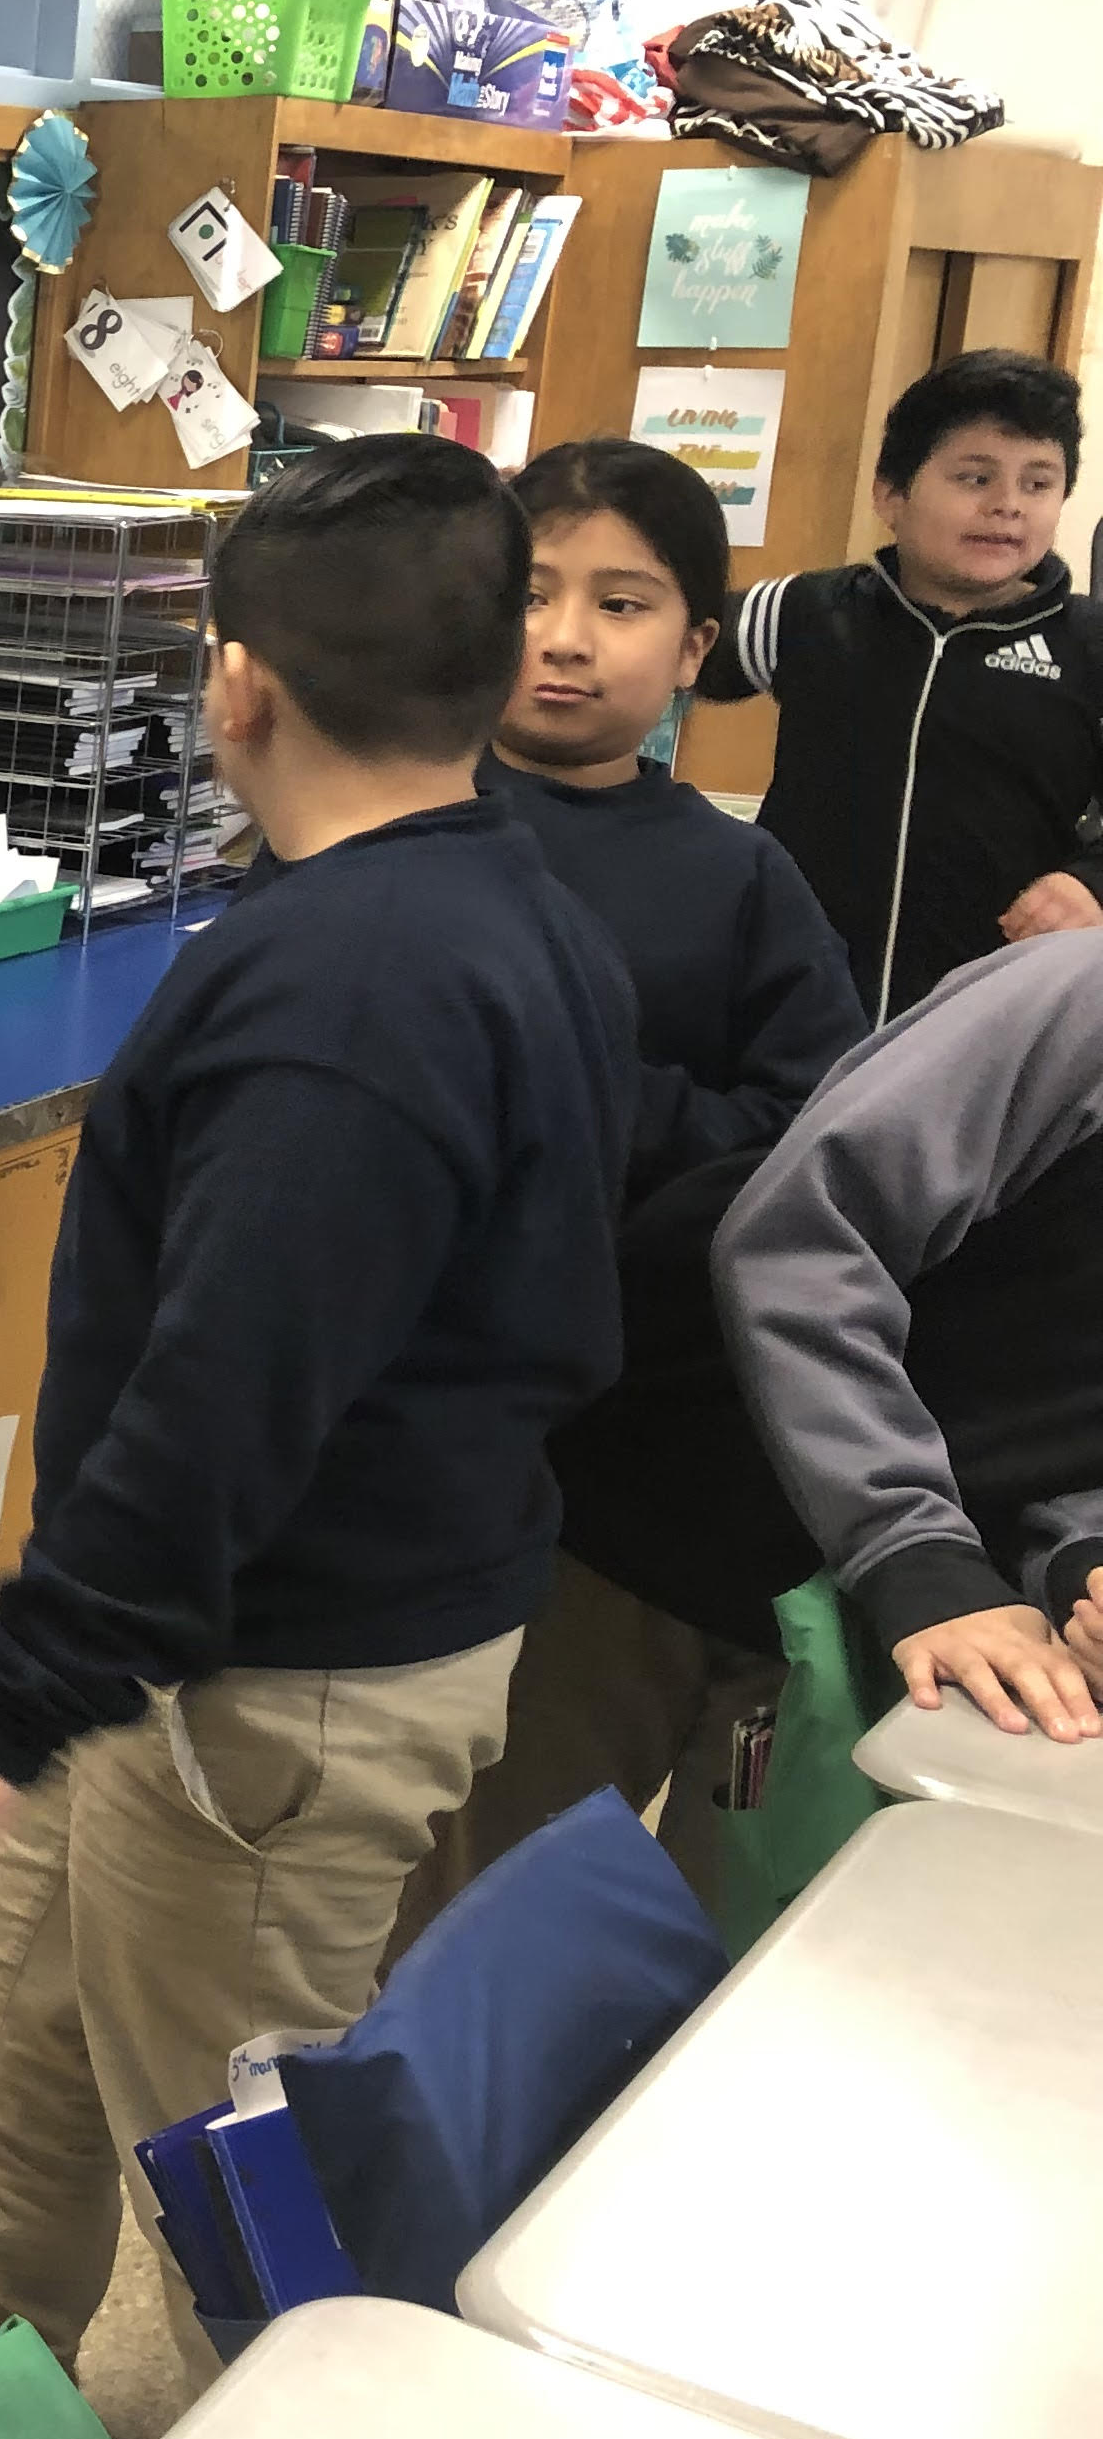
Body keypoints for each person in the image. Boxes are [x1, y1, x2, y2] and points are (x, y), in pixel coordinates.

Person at [0, 434, 635, 2432]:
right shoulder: (486, 896)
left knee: (245, 2142)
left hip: (278, 1687)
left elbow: (226, 1412)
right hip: (218, 1657)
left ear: (237, 687)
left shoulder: (350, 996)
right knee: (28, 1990)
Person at [391, 441, 866, 1924]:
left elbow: (819, 1133)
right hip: (456, 1454)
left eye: (623, 601)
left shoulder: (734, 877)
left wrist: (597, 1102)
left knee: (715, 1918)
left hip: (669, 1443)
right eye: (530, 593)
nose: (567, 637)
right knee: (476, 1902)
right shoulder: (398, 826)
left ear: (696, 647)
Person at [717, 929, 1103, 1747]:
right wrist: (913, 1549)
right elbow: (801, 1246)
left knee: (776, 1862)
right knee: (545, 1860)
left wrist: (1083, 1567)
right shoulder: (1082, 998)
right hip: (705, 1501)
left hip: (961, 1601)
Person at [694, 349, 1103, 1019]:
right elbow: (669, 649)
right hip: (795, 1005)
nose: (1006, 507)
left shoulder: (1089, 645)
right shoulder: (807, 612)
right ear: (890, 494)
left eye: (1037, 484)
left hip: (990, 1016)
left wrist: (1091, 885)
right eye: (974, 477)